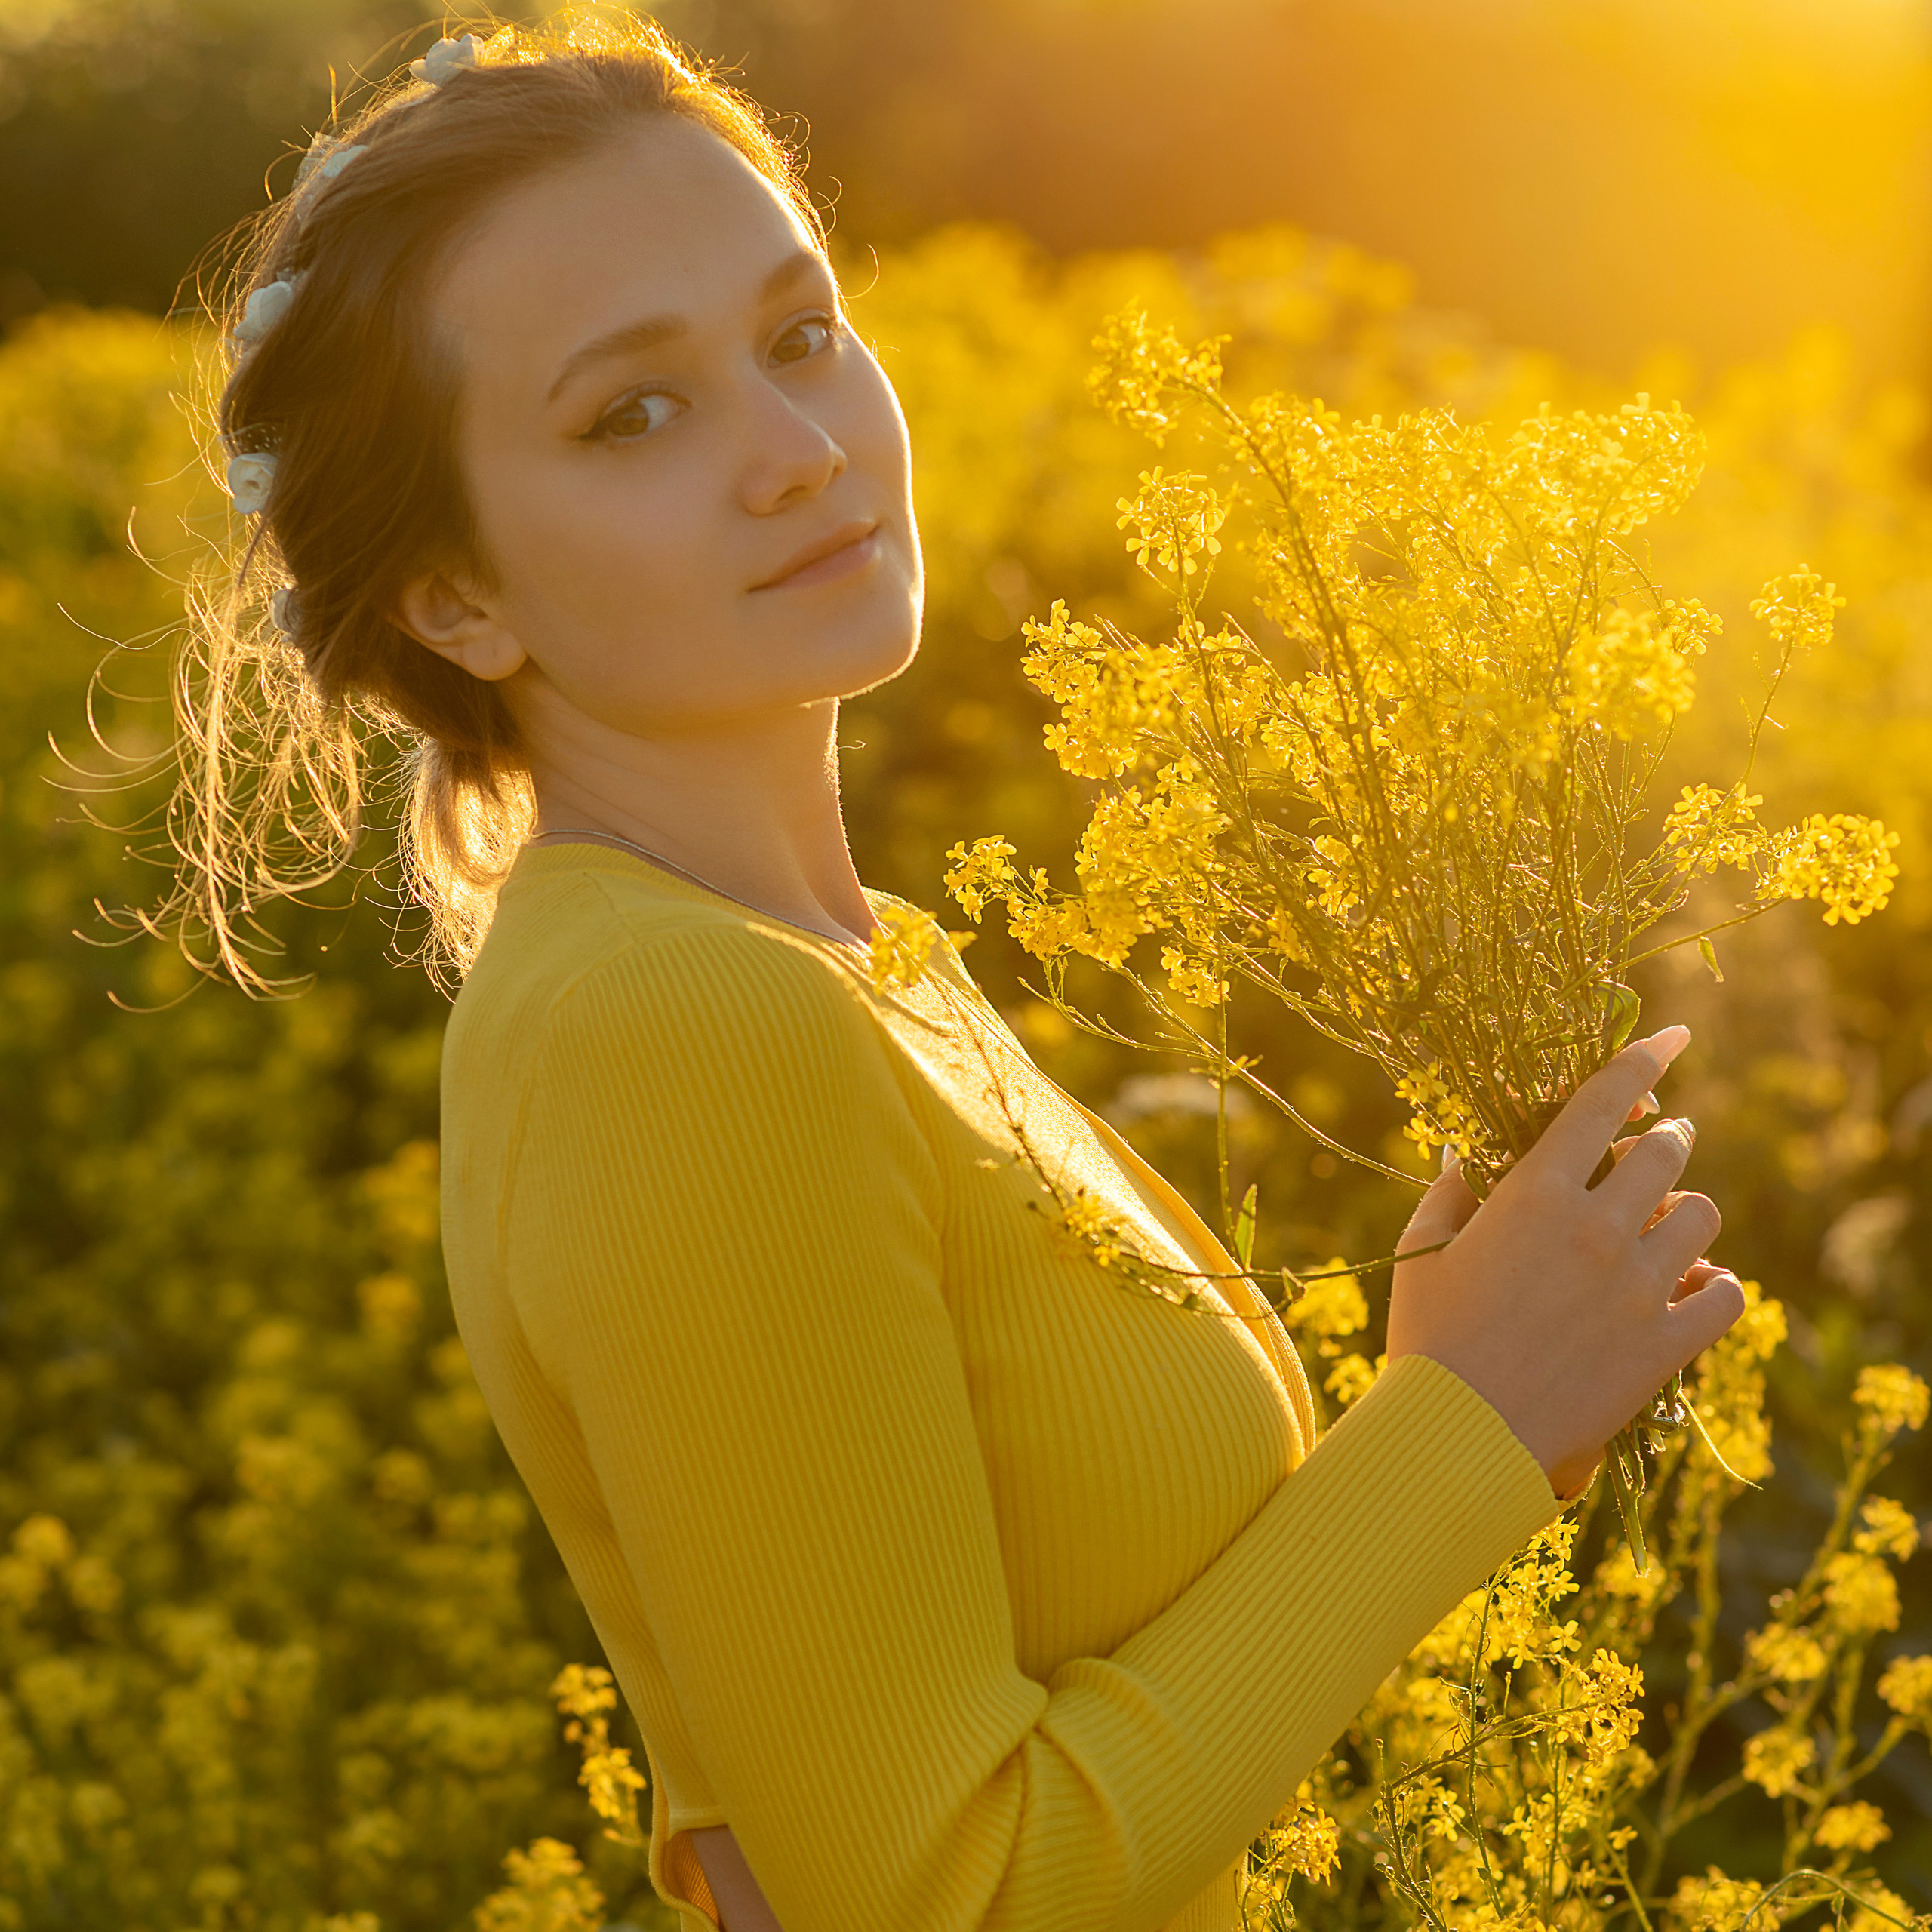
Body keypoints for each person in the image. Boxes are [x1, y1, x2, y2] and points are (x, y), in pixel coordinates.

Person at [161, 16, 1746, 1931]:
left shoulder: (835, 964)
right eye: (632, 415)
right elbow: (947, 1892)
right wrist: (1456, 1424)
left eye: (798, 335)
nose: (797, 451)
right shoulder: (680, 1026)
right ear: (453, 594)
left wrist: (1474, 1403)